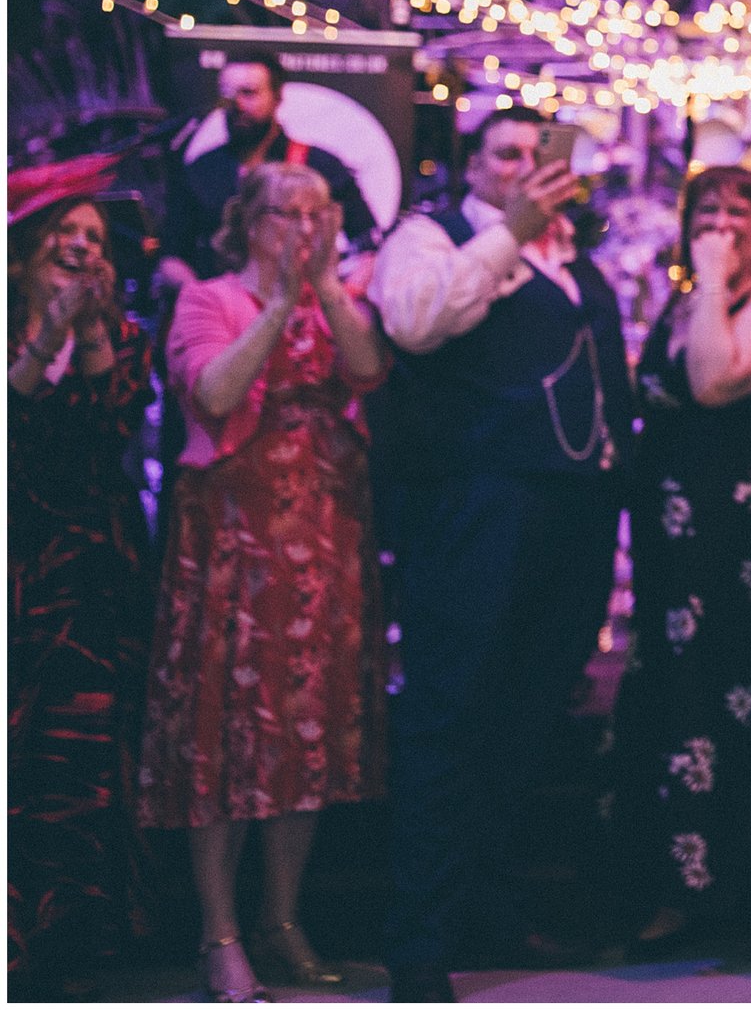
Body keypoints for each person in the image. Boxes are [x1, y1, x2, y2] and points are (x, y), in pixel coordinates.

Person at [367, 108, 634, 1002]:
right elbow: (410, 322)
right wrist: (508, 235)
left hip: (574, 511)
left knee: (526, 713)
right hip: (474, 504)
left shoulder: (573, 256)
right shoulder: (429, 234)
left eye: (539, 154)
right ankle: (419, 938)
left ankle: (487, 903)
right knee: (448, 712)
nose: (528, 168)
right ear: (471, 166)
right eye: (507, 154)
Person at [139, 160, 391, 1003]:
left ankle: (283, 918)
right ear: (251, 221)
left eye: (322, 214)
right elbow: (213, 391)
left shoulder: (341, 290)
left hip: (321, 530)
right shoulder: (208, 298)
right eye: (292, 214)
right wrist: (281, 302)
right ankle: (221, 934)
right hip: (234, 536)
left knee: (304, 728)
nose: (310, 228)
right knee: (223, 733)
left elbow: (367, 370)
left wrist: (322, 287)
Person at [614, 164, 751, 963]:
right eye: (708, 209)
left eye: (739, 210)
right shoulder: (677, 302)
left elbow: (714, 378)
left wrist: (709, 282)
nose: (722, 222)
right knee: (677, 699)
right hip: (675, 543)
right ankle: (677, 889)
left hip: (750, 545)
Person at [8, 193, 154, 1001]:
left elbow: (114, 427)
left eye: (95, 237)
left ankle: (78, 934)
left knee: (83, 744)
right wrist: (47, 335)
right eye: (67, 230)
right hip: (17, 557)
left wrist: (91, 332)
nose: (81, 244)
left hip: (91, 566)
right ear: (30, 245)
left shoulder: (123, 338)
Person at [160, 50, 375, 288]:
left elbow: (369, 248)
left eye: (249, 93)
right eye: (228, 95)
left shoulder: (319, 165)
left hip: (301, 311)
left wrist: (339, 304)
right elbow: (171, 257)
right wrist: (202, 300)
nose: (237, 104)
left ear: (277, 96)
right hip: (222, 309)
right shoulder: (201, 170)